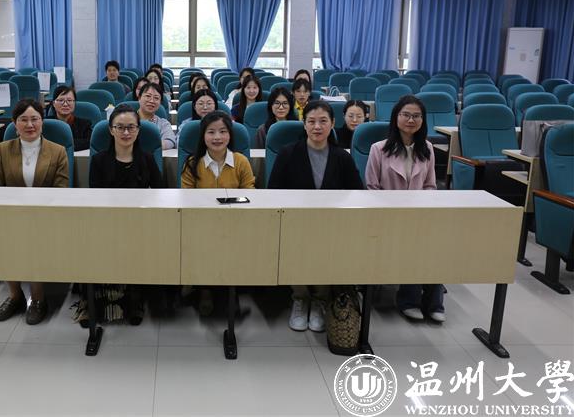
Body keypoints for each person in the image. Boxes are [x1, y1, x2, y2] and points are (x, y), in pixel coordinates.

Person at [268, 100, 363, 333]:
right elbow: (273, 192)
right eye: (311, 121)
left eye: (323, 121)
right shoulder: (288, 153)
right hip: (295, 222)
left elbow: (357, 193)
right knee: (295, 246)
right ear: (304, 124)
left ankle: (320, 300)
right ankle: (300, 298)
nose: (317, 127)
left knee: (327, 249)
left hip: (331, 223)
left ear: (332, 123)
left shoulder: (342, 157)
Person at [365, 96, 444, 323]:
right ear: (396, 117)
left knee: (434, 242)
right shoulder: (378, 149)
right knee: (413, 242)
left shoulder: (427, 148)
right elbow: (371, 187)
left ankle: (434, 302)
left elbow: (430, 185)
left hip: (419, 215)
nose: (411, 120)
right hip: (387, 216)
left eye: (416, 116)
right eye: (406, 115)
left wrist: (422, 210)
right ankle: (409, 300)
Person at [0, 99, 69, 325]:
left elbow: (61, 190)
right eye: (23, 120)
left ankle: (38, 298)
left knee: (33, 238)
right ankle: (15, 296)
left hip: (45, 215)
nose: (30, 124)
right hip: (11, 214)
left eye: (35, 119)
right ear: (15, 124)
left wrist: (36, 211)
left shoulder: (57, 151)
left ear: (42, 122)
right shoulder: (3, 149)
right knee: (5, 237)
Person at [84, 104, 163, 325]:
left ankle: (134, 298)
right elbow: (95, 198)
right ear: (111, 130)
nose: (126, 132)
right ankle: (103, 298)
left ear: (138, 130)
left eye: (131, 127)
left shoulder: (147, 159)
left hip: (141, 223)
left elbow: (160, 194)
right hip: (107, 223)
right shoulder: (99, 160)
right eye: (120, 127)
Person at [181, 110, 255, 315]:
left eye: (223, 131)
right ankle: (205, 290)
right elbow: (187, 197)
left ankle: (232, 289)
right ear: (203, 136)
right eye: (211, 132)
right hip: (201, 223)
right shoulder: (192, 163)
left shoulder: (240, 161)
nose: (217, 137)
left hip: (235, 222)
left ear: (230, 135)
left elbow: (250, 193)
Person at [47, 86, 92, 152]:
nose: (65, 104)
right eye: (61, 100)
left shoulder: (85, 124)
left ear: (74, 103)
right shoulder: (46, 124)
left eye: (69, 100)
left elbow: (89, 142)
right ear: (54, 103)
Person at [137, 82, 176, 150]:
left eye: (156, 98)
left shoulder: (163, 123)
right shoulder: (127, 120)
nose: (152, 101)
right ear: (139, 98)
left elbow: (170, 141)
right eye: (148, 96)